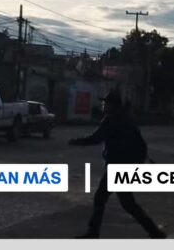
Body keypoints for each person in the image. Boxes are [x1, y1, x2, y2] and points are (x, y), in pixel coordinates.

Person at [68, 90, 166, 239]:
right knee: (128, 204)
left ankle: (93, 233)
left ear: (112, 105)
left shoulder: (111, 119)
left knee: (101, 199)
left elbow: (96, 138)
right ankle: (155, 232)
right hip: (125, 167)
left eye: (106, 103)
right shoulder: (126, 119)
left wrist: (76, 141)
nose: (104, 105)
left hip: (117, 167)